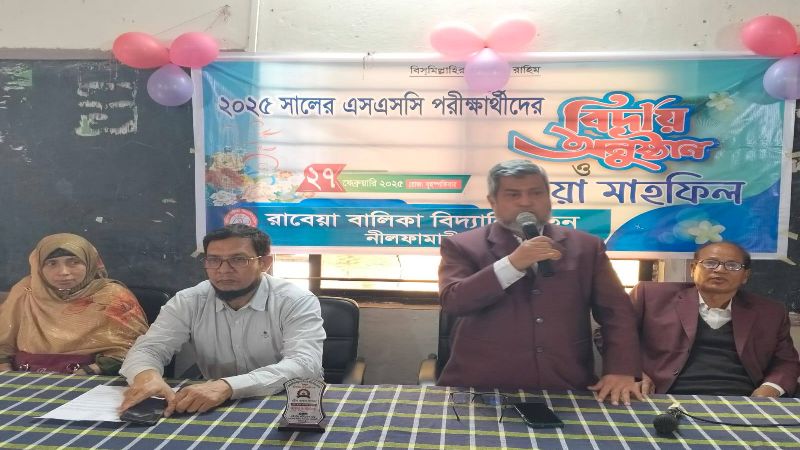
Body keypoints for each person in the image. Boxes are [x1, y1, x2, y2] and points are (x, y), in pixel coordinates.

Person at [438, 160, 642, 405]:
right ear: (493, 202)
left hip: (566, 383)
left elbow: (617, 313)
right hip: (480, 385)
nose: (526, 202)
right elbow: (454, 301)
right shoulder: (462, 245)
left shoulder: (587, 247)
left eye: (536, 193)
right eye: (513, 194)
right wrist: (512, 264)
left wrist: (621, 369)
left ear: (549, 198)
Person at [119, 224, 325, 417]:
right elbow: (149, 349)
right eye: (213, 260)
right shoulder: (189, 301)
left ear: (264, 263)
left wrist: (228, 386)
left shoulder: (295, 301)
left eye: (238, 260)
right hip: (214, 403)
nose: (223, 270)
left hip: (291, 403)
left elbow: (304, 363)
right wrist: (147, 376)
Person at [632, 241, 799, 397]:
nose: (720, 270)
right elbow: (618, 341)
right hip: (665, 394)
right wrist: (634, 374)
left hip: (743, 398)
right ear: (693, 268)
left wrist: (769, 389)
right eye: (710, 263)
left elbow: (786, 362)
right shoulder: (651, 297)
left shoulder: (770, 312)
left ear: (745, 276)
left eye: (732, 265)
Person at [0, 233, 148, 375]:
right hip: (23, 375)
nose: (63, 272)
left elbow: (137, 350)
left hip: (91, 377)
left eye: (74, 262)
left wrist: (92, 370)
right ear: (38, 267)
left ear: (89, 263)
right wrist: (6, 373)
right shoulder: (26, 291)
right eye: (52, 263)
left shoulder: (113, 296)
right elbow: (3, 344)